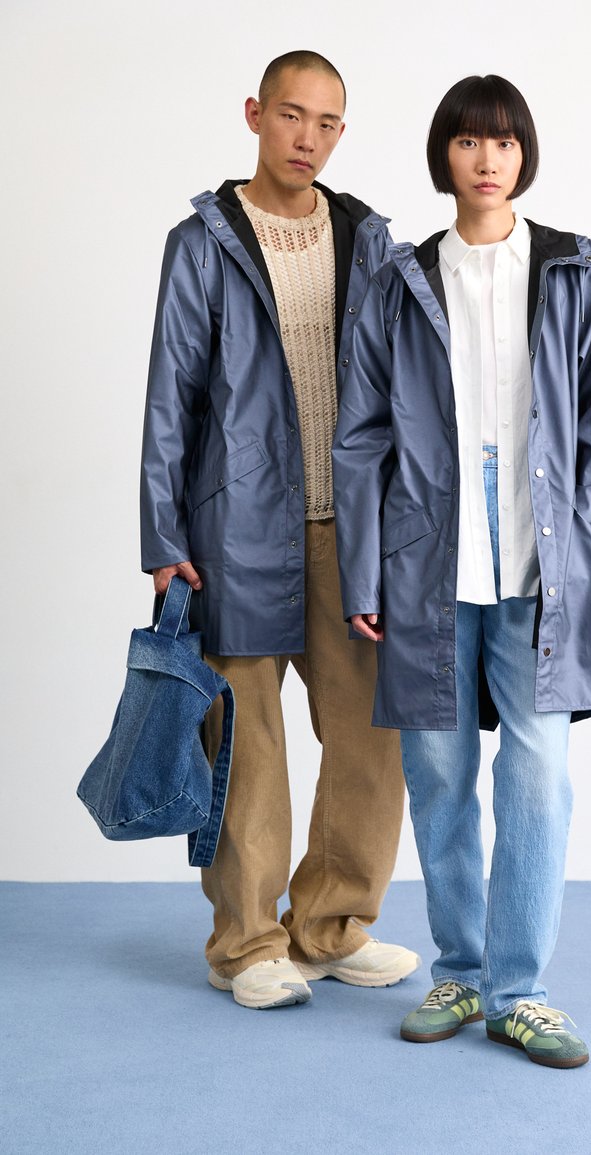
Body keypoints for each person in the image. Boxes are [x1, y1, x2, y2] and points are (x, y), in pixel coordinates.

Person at [332, 74, 591, 1066]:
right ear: (445, 156)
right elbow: (362, 435)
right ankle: (459, 975)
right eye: (467, 142)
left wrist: (579, 537)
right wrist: (367, 571)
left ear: (522, 154)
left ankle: (520, 988)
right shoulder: (401, 278)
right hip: (428, 574)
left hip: (539, 579)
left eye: (502, 142)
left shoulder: (573, 269)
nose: (486, 159)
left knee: (537, 777)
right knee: (437, 776)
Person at [140, 50, 418, 1010]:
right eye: (293, 115)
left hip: (351, 529)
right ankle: (248, 941)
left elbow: (401, 388)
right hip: (236, 528)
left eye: (329, 122)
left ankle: (332, 926)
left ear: (343, 131)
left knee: (371, 731)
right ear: (256, 114)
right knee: (246, 743)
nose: (309, 137)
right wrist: (163, 534)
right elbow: (170, 399)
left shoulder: (370, 238)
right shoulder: (204, 242)